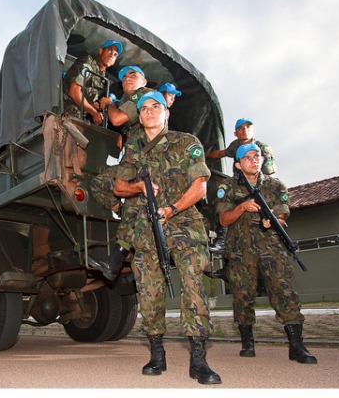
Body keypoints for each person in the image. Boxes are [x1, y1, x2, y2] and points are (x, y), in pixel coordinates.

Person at [112, 91, 221, 383]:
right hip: (147, 228)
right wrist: (140, 189)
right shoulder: (133, 150)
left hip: (184, 222)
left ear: (166, 113)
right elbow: (119, 187)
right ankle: (156, 355)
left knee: (193, 282)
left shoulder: (187, 142)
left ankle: (198, 360)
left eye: (155, 106)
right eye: (144, 108)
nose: (149, 111)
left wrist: (171, 209)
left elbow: (200, 186)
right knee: (148, 290)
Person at [215, 143, 317, 364]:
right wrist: (242, 207)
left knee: (284, 292)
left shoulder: (275, 185)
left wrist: (274, 222)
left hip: (271, 248)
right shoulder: (228, 187)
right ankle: (248, 342)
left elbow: (282, 213)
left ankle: (297, 346)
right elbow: (223, 219)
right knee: (243, 296)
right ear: (238, 164)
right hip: (241, 252)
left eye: (257, 156)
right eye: (248, 157)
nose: (254, 160)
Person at [87, 66, 153, 280]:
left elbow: (117, 119)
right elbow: (128, 127)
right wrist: (125, 137)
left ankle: (118, 261)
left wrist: (109, 105)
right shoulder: (133, 103)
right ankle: (118, 258)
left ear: (144, 80)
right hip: (133, 161)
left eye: (133, 75)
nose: (127, 79)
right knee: (103, 186)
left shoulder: (145, 95)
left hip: (147, 164)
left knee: (134, 206)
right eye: (124, 77)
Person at [206, 118, 277, 281]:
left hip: (257, 190)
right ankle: (225, 259)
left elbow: (271, 173)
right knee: (225, 215)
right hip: (239, 189)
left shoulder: (262, 148)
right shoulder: (235, 146)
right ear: (235, 133)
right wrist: (202, 155)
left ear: (254, 130)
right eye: (241, 128)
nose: (244, 130)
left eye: (248, 127)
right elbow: (221, 153)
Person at [62, 40, 123, 125]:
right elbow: (74, 91)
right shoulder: (88, 62)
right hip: (63, 112)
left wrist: (94, 105)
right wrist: (93, 112)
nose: (111, 56)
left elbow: (88, 94)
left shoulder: (103, 78)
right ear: (101, 51)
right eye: (109, 50)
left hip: (79, 118)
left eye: (115, 54)